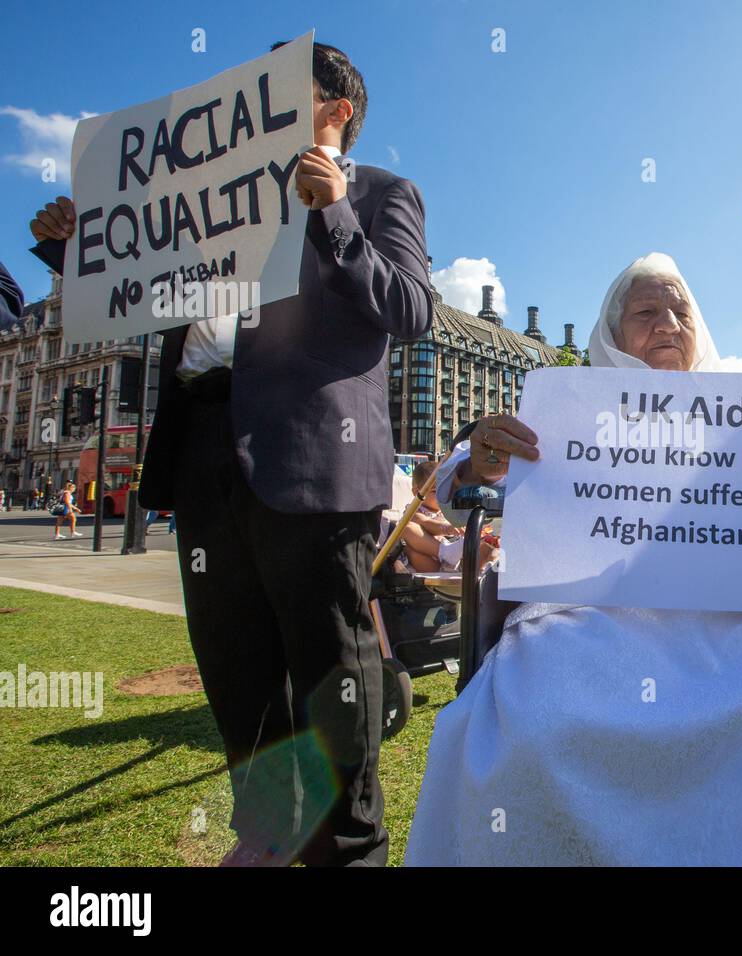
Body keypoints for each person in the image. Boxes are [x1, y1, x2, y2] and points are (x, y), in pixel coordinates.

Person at [405, 253, 742, 866]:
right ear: (610, 335)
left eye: (681, 311)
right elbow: (458, 493)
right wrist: (480, 462)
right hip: (595, 622)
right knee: (535, 728)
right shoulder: (567, 415)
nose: (668, 324)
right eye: (646, 312)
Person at [30, 41, 433, 867]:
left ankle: (348, 850)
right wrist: (79, 249)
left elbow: (412, 307)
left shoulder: (381, 193)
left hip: (313, 464)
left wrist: (333, 215)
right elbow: (135, 299)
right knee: (237, 678)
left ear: (334, 114)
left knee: (331, 680)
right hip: (207, 455)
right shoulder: (207, 205)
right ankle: (269, 835)